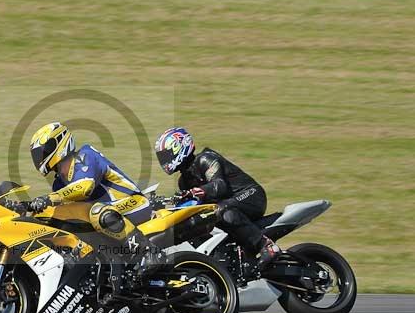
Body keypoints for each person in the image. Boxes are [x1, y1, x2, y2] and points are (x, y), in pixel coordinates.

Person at [26, 122, 164, 293]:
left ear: (59, 143)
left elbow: (85, 187)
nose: (39, 157)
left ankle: (149, 252)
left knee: (97, 212)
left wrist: (49, 198)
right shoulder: (58, 183)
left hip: (134, 203)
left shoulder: (85, 155)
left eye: (43, 151)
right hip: (110, 217)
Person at [154, 127, 281, 268]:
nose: (164, 161)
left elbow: (219, 186)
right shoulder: (183, 181)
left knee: (221, 210)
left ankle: (266, 245)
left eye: (166, 155)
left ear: (179, 147)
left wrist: (196, 191)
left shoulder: (206, 159)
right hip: (231, 206)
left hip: (251, 195)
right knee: (191, 223)